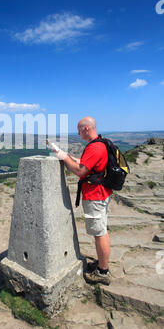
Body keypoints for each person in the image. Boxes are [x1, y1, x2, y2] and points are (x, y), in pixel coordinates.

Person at [51, 117, 112, 285]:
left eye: (79, 130)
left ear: (86, 128)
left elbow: (80, 171)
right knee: (101, 230)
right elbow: (87, 164)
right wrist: (65, 155)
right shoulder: (101, 143)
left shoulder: (94, 147)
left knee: (99, 233)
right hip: (101, 193)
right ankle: (101, 264)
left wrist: (63, 157)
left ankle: (103, 271)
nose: (78, 133)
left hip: (96, 195)